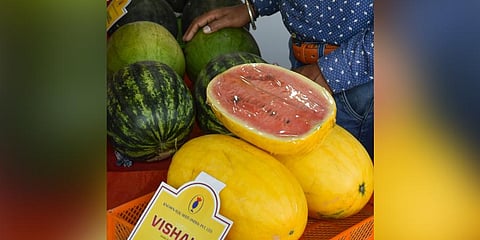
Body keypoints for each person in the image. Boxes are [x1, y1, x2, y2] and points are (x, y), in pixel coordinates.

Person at [183, 0, 374, 159]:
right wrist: (254, 6)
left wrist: (330, 72)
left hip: (356, 82)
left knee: (342, 174)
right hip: (305, 63)